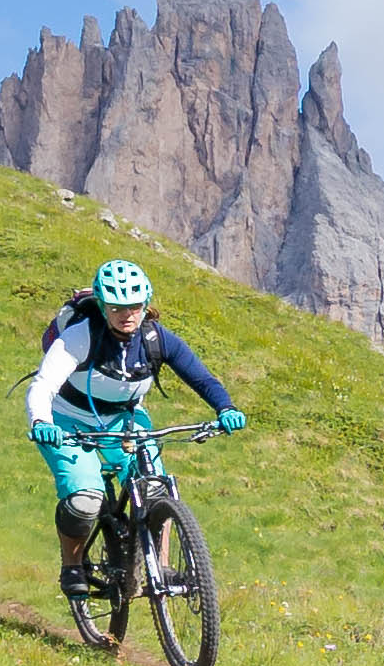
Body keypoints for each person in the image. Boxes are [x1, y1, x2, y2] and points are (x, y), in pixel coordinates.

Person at [26, 257, 244, 602]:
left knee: (156, 488)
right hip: (67, 418)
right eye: (115, 307)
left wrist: (226, 407)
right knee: (85, 500)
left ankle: (161, 564)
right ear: (101, 304)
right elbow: (43, 385)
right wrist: (42, 422)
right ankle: (72, 564)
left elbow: (200, 377)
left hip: (126, 419)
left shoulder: (157, 338)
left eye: (134, 306)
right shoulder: (81, 336)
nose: (126, 315)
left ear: (146, 302)